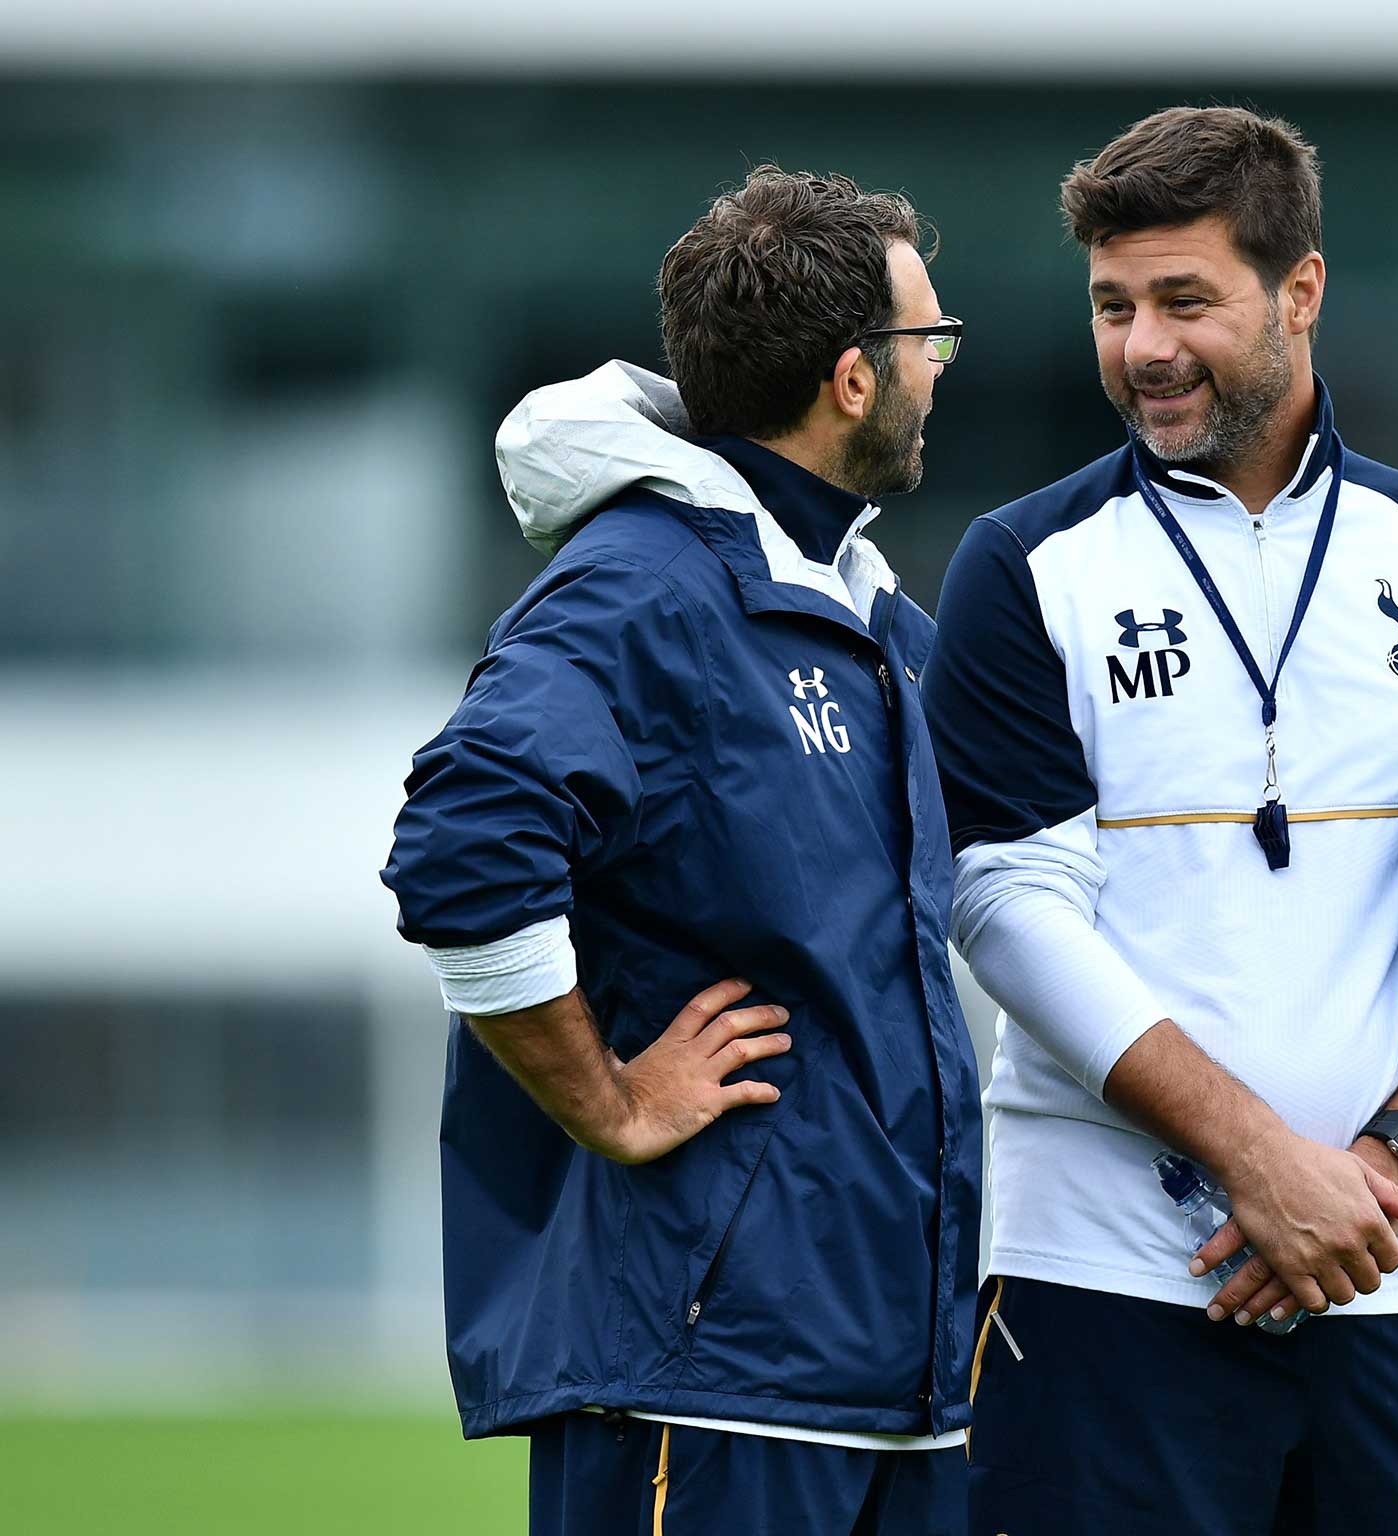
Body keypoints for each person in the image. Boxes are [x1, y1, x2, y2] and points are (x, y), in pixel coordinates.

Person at [920, 107, 1398, 1534]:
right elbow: (1005, 906)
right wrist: (1264, 1165)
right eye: (1113, 307)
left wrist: (1388, 1163)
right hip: (1099, 1281)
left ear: (1301, 291)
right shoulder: (1021, 566)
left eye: (1185, 301)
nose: (1144, 347)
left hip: (1393, 1267)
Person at [381, 168, 981, 1536]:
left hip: (901, 1396)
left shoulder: (862, 609)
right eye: (930, 344)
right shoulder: (644, 586)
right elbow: (468, 842)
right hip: (710, 1392)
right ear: (851, 379)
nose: (941, 373)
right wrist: (608, 1099)